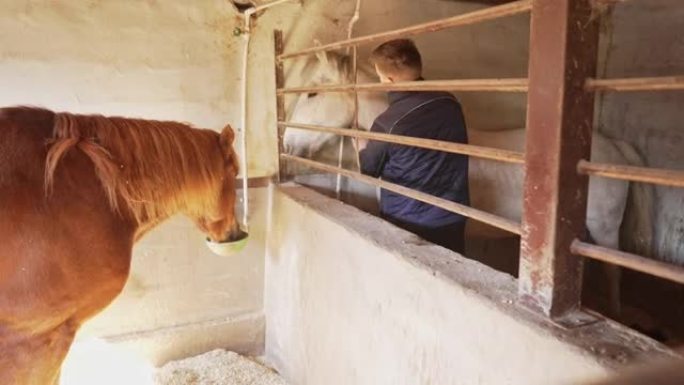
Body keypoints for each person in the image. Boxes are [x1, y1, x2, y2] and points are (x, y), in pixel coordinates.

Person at [357, 38, 469, 254]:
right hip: (452, 213)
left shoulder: (387, 123)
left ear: (389, 80)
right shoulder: (450, 102)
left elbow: (368, 170)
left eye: (379, 76)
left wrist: (362, 146)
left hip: (408, 221)